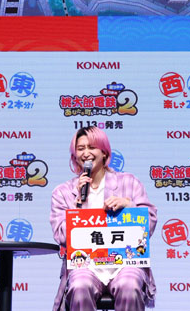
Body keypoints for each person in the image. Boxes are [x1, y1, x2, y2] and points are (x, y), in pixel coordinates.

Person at [49, 126, 156, 311]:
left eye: (92, 147)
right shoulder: (63, 192)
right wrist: (77, 206)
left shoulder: (129, 182)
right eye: (80, 148)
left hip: (124, 264)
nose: (86, 153)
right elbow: (61, 236)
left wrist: (128, 205)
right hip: (84, 265)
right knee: (80, 285)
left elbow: (150, 222)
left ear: (104, 152)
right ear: (74, 155)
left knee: (129, 285)